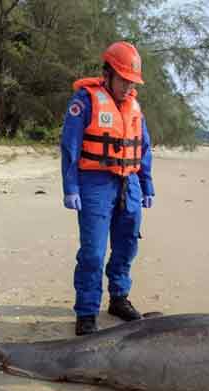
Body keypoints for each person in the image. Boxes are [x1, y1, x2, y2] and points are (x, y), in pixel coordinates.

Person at [60, 41, 155, 335]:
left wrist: (147, 183)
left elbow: (144, 148)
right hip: (95, 184)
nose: (129, 87)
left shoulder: (134, 107)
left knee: (127, 245)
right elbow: (70, 145)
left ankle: (118, 298)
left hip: (131, 183)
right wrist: (71, 186)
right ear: (109, 73)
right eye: (125, 80)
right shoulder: (84, 101)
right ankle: (87, 311)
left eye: (132, 81)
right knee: (93, 252)